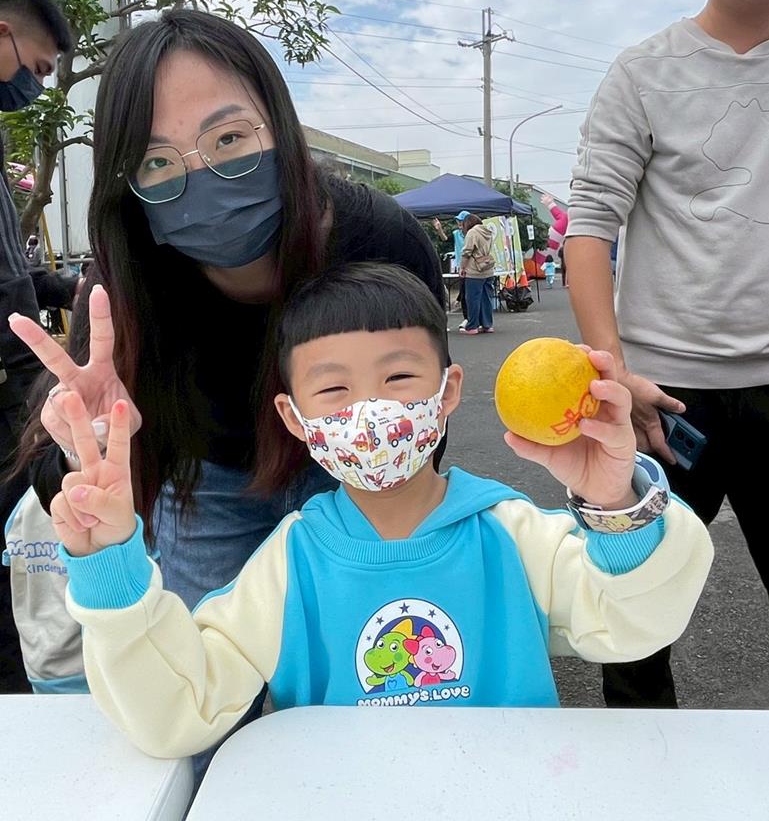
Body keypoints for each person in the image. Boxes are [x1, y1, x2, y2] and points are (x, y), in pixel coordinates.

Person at [49, 262, 711, 758]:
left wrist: (614, 501)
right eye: (333, 388)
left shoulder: (512, 534)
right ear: (295, 418)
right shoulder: (289, 564)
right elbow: (179, 709)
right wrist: (109, 562)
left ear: (447, 391)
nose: (370, 410)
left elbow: (633, 624)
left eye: (398, 378)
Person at [8, 9, 446, 628]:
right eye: (156, 162)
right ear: (127, 183)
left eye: (230, 139)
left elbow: (426, 405)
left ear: (280, 125)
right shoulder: (125, 282)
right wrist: (87, 448)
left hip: (359, 460)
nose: (202, 177)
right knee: (210, 663)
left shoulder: (379, 240)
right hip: (208, 475)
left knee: (379, 649)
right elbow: (68, 481)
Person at [565, 0, 769, 709]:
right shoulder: (644, 73)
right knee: (634, 609)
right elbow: (588, 225)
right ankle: (640, 764)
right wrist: (613, 371)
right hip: (663, 396)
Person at [0, 0, 71, 693]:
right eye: (39, 68)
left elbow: (8, 270)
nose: (37, 86)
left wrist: (65, 288)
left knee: (19, 544)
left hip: (15, 380)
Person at [459, 213, 495, 335]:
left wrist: (462, 267)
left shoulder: (472, 232)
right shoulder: (488, 232)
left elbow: (466, 252)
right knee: (486, 299)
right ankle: (487, 325)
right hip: (488, 269)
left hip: (474, 271)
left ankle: (472, 326)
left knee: (472, 299)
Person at [432, 211, 469, 327]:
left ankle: (474, 319)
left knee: (471, 294)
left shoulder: (473, 233)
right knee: (464, 293)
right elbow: (445, 239)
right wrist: (439, 229)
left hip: (473, 267)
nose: (459, 223)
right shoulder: (456, 234)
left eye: (461, 221)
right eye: (458, 220)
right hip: (462, 267)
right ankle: (467, 318)